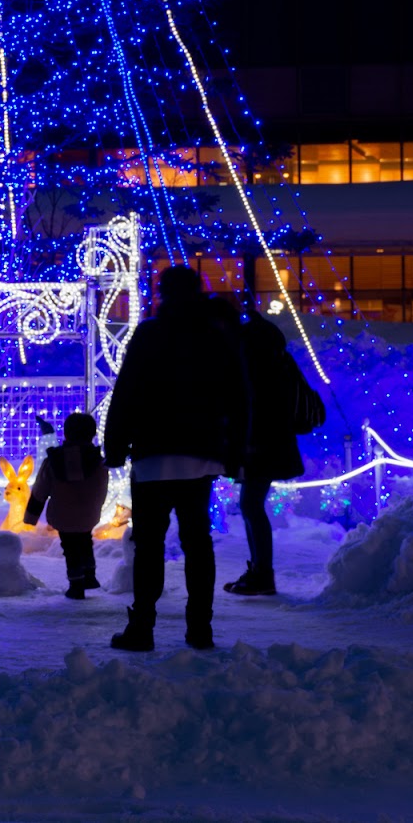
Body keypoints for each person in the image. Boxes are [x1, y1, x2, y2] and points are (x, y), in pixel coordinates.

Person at [102, 265, 248, 651]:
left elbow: (127, 389)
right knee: (198, 542)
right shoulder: (214, 336)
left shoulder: (149, 333)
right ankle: (200, 627)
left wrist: (114, 445)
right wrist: (234, 451)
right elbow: (237, 396)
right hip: (200, 453)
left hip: (152, 452)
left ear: (162, 292)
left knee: (148, 544)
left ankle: (142, 627)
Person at [224, 309, 316, 596]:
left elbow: (255, 410)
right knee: (251, 505)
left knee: (251, 505)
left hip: (261, 446)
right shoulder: (279, 361)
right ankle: (259, 571)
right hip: (272, 445)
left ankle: (262, 573)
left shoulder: (260, 366)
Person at [23, 411, 107, 599]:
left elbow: (40, 490)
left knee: (70, 548)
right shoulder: (98, 462)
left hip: (62, 514)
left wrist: (31, 517)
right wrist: (96, 506)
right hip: (88, 514)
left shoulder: (53, 460)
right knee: (85, 540)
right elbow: (102, 488)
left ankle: (76, 585)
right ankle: (90, 575)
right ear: (92, 434)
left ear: (66, 433)